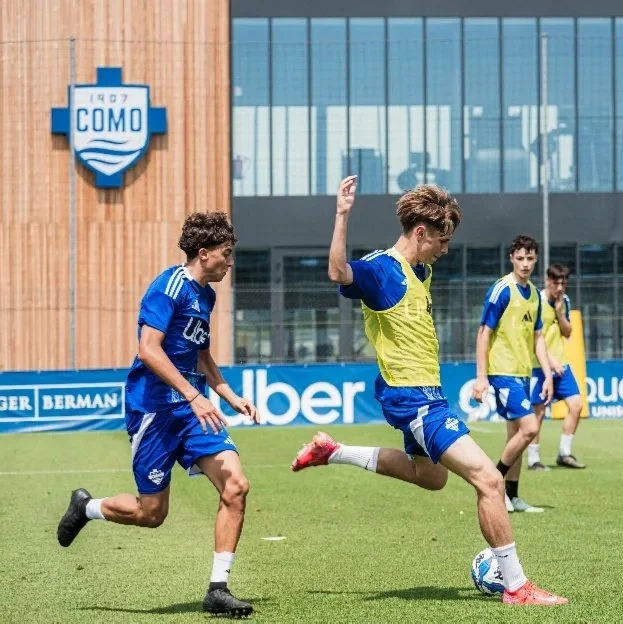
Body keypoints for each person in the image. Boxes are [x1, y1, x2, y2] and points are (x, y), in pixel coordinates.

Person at [291, 176, 567, 606]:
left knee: (431, 477)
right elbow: (337, 272)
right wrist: (342, 215)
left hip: (425, 395)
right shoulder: (382, 270)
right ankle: (516, 586)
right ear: (420, 233)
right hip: (413, 398)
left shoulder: (422, 268)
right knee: (490, 480)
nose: (445, 247)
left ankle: (334, 451)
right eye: (441, 239)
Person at [56, 212, 260, 617]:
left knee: (236, 485)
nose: (230, 261)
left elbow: (200, 353)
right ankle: (87, 507)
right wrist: (192, 395)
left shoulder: (207, 295)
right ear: (204, 254)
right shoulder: (168, 288)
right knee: (152, 515)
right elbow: (148, 350)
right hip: (154, 411)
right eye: (226, 253)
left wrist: (225, 393)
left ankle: (218, 588)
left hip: (192, 413)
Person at [472, 235, 556, 513]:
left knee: (515, 437)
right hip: (502, 372)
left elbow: (539, 338)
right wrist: (481, 376)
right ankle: (492, 481)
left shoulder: (534, 294)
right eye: (520, 258)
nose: (525, 264)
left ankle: (512, 496)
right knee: (530, 429)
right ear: (511, 258)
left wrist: (546, 375)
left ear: (536, 260)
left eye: (530, 258)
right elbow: (484, 332)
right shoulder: (502, 289)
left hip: (522, 373)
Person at [527, 263, 586, 471]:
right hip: (539, 366)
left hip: (562, 366)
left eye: (563, 283)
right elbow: (534, 337)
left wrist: (560, 313)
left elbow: (568, 332)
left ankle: (564, 453)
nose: (560, 288)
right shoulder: (537, 301)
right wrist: (550, 362)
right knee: (539, 413)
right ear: (547, 282)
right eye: (556, 283)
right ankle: (533, 459)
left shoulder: (565, 301)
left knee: (577, 405)